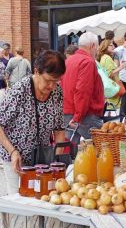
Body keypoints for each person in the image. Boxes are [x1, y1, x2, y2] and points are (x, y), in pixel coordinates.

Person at [0, 50, 66, 195]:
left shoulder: (57, 92)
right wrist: (13, 152)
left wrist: (57, 160)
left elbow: (59, 129)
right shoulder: (19, 90)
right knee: (20, 200)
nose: (52, 86)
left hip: (42, 159)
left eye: (56, 81)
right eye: (48, 80)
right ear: (36, 71)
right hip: (17, 159)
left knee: (43, 197)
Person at [62, 32, 105, 145]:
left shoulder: (68, 61)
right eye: (97, 47)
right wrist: (78, 116)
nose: (97, 50)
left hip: (68, 111)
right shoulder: (87, 62)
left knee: (68, 149)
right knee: (104, 147)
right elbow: (83, 91)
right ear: (92, 46)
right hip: (84, 114)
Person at [97, 39, 126, 108]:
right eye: (111, 45)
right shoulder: (107, 58)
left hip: (110, 91)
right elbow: (107, 75)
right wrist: (120, 67)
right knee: (113, 112)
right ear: (105, 47)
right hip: (112, 91)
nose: (113, 47)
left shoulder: (104, 57)